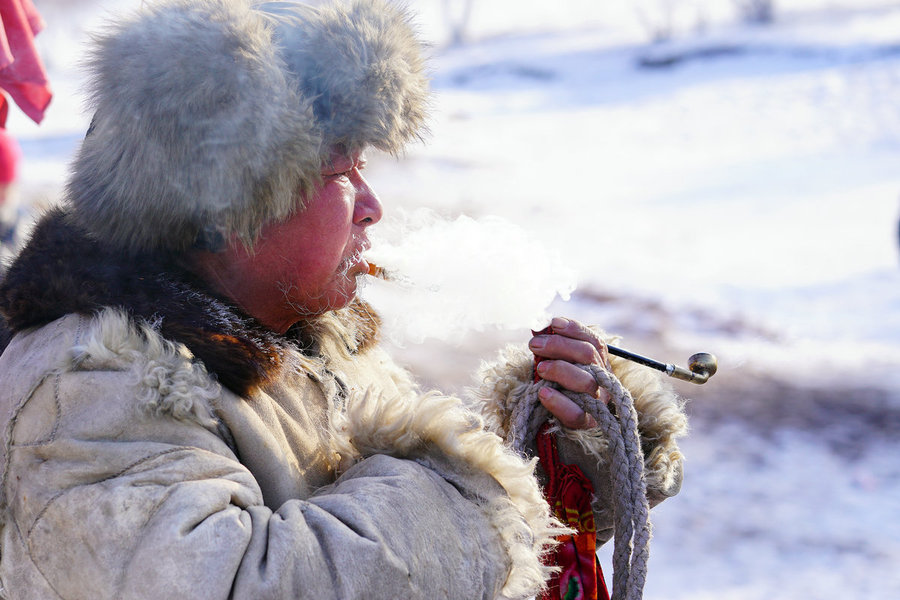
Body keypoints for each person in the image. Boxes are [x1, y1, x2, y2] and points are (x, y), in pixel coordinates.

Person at [0, 1, 687, 599]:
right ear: (230, 201)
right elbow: (231, 583)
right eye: (342, 169)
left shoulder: (302, 334)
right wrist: (470, 491)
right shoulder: (88, 387)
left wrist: (560, 450)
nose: (374, 207)